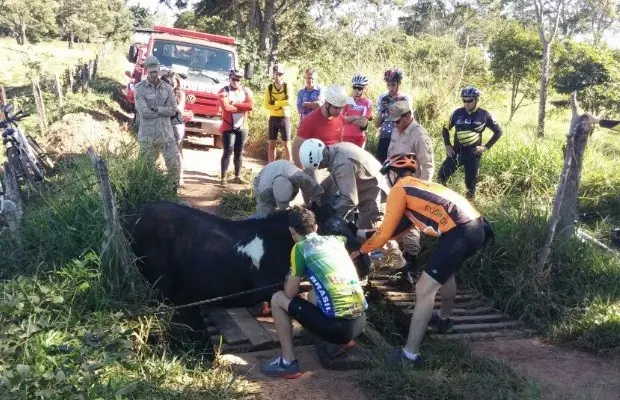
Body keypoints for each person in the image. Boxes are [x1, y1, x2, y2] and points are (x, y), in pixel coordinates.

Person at [349, 153, 492, 366]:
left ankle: (409, 355)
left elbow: (386, 231)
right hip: (477, 228)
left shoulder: (400, 188)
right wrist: (358, 233)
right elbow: (397, 230)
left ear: (391, 175)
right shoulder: (419, 188)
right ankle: (444, 320)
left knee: (424, 288)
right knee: (446, 273)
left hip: (460, 231)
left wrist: (361, 251)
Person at [261, 206, 367, 379]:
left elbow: (289, 292)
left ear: (291, 231)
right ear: (316, 227)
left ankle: (288, 363)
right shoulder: (336, 240)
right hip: (360, 321)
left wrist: (291, 274)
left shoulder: (300, 248)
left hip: (339, 329)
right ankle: (344, 343)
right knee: (312, 294)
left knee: (277, 298)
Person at [385, 101, 435, 287]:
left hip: (413, 188)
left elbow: (427, 165)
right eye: (393, 122)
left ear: (408, 116)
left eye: (398, 121)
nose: (395, 125)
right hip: (395, 185)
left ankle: (411, 267)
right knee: (395, 223)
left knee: (410, 225)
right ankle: (401, 266)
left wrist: (421, 191)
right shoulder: (395, 130)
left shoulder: (419, 135)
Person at [299, 139, 389, 230]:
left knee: (370, 235)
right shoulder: (336, 149)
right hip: (369, 185)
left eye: (319, 166)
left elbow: (350, 200)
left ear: (320, 160)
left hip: (373, 192)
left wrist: (330, 221)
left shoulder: (341, 164)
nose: (321, 168)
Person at [438, 86, 502, 199]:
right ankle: (442, 199)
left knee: (470, 185)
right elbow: (445, 129)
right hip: (457, 152)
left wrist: (486, 147)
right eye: (464, 100)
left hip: (473, 154)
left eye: (469, 101)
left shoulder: (485, 115)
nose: (466, 103)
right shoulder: (457, 113)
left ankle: (470, 207)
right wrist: (448, 145)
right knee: (441, 175)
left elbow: (498, 131)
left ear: (476, 99)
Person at [134, 56, 181, 188]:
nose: (154, 75)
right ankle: (144, 193)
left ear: (159, 70)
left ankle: (172, 192)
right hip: (148, 137)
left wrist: (157, 109)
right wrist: (163, 110)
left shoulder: (167, 88)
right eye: (151, 72)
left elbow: (173, 110)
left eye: (156, 71)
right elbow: (144, 113)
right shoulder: (140, 89)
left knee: (174, 166)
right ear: (146, 71)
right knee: (144, 169)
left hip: (166, 135)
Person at [292, 85, 348, 170]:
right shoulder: (310, 121)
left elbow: (339, 143)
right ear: (326, 103)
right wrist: (300, 171)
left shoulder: (340, 118)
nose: (339, 111)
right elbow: (296, 147)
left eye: (341, 108)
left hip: (333, 163)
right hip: (314, 165)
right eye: (336, 108)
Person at [219, 68, 254, 186]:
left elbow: (250, 106)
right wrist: (241, 107)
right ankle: (223, 178)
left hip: (242, 126)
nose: (236, 82)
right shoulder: (224, 91)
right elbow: (226, 108)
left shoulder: (246, 91)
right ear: (229, 78)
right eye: (234, 79)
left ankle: (237, 176)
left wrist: (234, 104)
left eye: (239, 80)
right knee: (228, 151)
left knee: (239, 152)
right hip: (228, 126)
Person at [253, 160, 325, 217]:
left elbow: (317, 191)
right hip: (263, 177)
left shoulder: (299, 177)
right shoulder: (264, 192)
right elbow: (264, 215)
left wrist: (316, 209)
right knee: (266, 218)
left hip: (285, 169)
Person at [374, 67, 412, 163]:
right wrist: (381, 110)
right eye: (388, 85)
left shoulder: (405, 98)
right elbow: (376, 124)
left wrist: (395, 108)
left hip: (400, 135)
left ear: (399, 83)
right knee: (380, 166)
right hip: (385, 135)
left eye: (393, 85)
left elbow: (410, 121)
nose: (391, 88)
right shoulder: (383, 97)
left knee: (398, 166)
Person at [161, 71, 187, 186]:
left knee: (177, 151)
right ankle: (171, 176)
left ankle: (179, 176)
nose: (172, 83)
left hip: (177, 124)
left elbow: (180, 109)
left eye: (174, 81)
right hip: (166, 124)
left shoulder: (180, 94)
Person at [264, 63, 294, 162]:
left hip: (284, 117)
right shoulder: (269, 88)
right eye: (276, 74)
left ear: (283, 75)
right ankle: (271, 166)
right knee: (272, 144)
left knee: (287, 144)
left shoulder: (286, 87)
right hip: (273, 118)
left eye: (280, 74)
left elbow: (289, 102)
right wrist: (281, 104)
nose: (278, 76)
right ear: (273, 74)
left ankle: (289, 166)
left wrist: (275, 103)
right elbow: (266, 105)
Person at [342, 74, 373, 148]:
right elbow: (341, 119)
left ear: (364, 89)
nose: (356, 90)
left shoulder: (368, 103)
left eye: (359, 88)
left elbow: (363, 123)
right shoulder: (347, 100)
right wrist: (356, 117)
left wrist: (348, 118)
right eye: (355, 87)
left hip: (359, 137)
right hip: (345, 135)